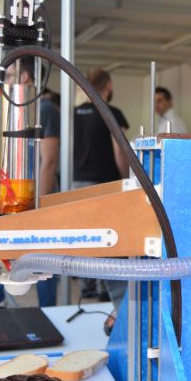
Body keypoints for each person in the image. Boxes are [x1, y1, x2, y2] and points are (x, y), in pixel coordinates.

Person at [4, 59, 61, 306]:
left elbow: (48, 161)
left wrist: (40, 208)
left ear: (24, 76)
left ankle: (47, 313)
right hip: (20, 196)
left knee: (43, 263)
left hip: (38, 199)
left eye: (10, 75)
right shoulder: (22, 109)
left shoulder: (45, 109)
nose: (6, 81)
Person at [73, 68, 129, 306]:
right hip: (105, 184)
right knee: (109, 239)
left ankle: (87, 287)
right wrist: (127, 179)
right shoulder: (112, 112)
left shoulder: (74, 114)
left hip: (77, 183)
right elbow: (121, 151)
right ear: (109, 85)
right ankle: (109, 292)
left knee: (84, 237)